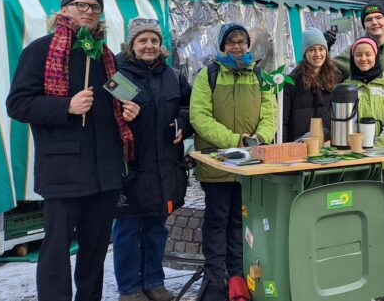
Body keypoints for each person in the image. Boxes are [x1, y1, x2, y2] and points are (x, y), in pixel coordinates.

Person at [6, 0, 140, 301]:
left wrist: (132, 108)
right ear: (64, 10)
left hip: (105, 172)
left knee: (94, 253)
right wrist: (65, 106)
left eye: (95, 7)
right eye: (81, 5)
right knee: (55, 252)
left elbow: (123, 94)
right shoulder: (40, 51)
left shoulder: (105, 56)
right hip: (63, 171)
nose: (89, 11)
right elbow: (18, 104)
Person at [330, 0, 384, 300]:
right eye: (359, 54)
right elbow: (341, 121)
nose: (364, 58)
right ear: (353, 58)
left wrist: (374, 152)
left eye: (369, 54)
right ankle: (360, 277)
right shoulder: (346, 86)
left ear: (376, 56)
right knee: (357, 219)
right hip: (354, 164)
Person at [190, 22, 277, 301]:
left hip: (249, 165)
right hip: (217, 164)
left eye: (242, 41)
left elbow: (270, 113)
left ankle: (238, 277)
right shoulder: (209, 74)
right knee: (216, 220)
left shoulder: (260, 75)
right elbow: (199, 116)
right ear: (222, 46)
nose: (237, 46)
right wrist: (233, 140)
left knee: (241, 222)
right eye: (231, 42)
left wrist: (260, 139)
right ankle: (215, 278)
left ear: (248, 45)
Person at [113, 18, 193, 301]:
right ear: (131, 44)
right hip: (132, 168)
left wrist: (183, 123)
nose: (149, 46)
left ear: (161, 45)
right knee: (128, 230)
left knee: (156, 229)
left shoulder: (172, 75)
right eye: (143, 41)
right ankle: (130, 288)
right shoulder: (118, 73)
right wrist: (121, 117)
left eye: (154, 41)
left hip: (164, 167)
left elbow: (188, 106)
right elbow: (104, 116)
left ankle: (154, 282)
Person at [283, 27, 342, 142]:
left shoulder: (335, 78)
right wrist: (284, 147)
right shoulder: (291, 82)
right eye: (311, 50)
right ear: (305, 53)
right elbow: (283, 120)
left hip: (328, 146)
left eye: (321, 49)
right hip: (299, 145)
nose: (317, 54)